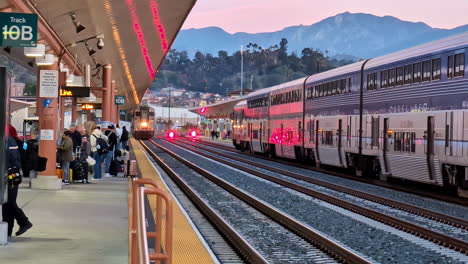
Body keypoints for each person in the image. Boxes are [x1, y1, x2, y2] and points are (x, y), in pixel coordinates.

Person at [3, 125, 33, 237]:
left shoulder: (9, 142)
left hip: (12, 175)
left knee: (10, 201)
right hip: (13, 174)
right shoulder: (13, 141)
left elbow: (11, 160)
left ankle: (24, 222)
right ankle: (8, 230)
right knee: (6, 203)